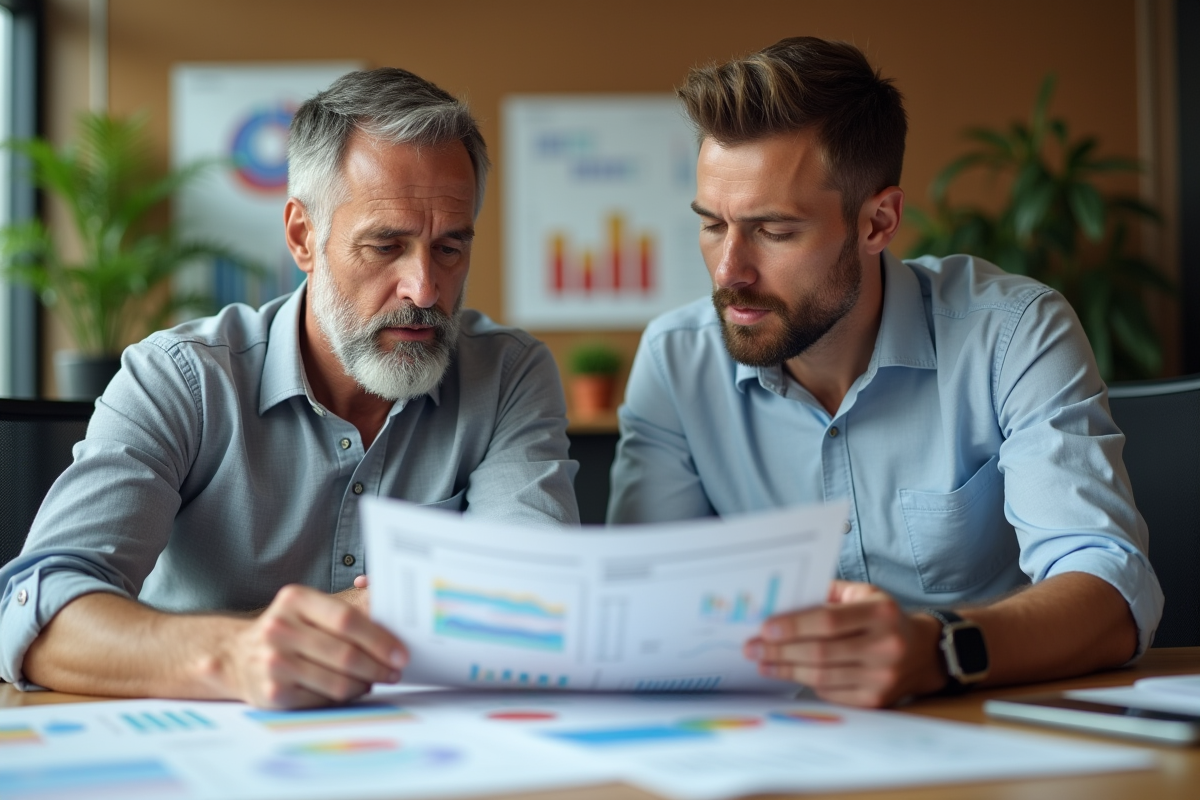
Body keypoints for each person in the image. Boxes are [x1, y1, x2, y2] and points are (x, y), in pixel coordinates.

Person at [607, 37, 1162, 707]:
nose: (729, 272)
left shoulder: (1013, 334)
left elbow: (1111, 589)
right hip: (774, 745)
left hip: (991, 728)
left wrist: (938, 650)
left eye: (773, 231)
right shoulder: (676, 363)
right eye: (712, 226)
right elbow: (640, 610)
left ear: (878, 221)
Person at [0, 68, 579, 708]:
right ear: (303, 236)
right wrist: (234, 656)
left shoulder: (507, 376)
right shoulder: (182, 378)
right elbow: (40, 614)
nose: (424, 289)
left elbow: (537, 602)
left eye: (449, 249)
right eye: (385, 246)